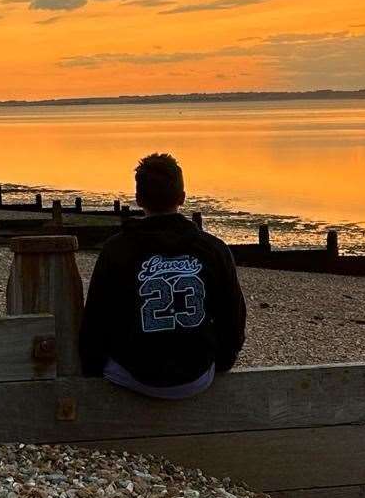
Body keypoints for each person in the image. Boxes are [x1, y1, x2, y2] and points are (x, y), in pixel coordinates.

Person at [79, 152, 244, 398]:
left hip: (134, 375)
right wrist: (222, 361)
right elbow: (233, 315)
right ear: (182, 198)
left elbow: (96, 318)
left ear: (138, 199)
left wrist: (91, 370)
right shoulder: (213, 249)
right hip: (195, 375)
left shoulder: (117, 249)